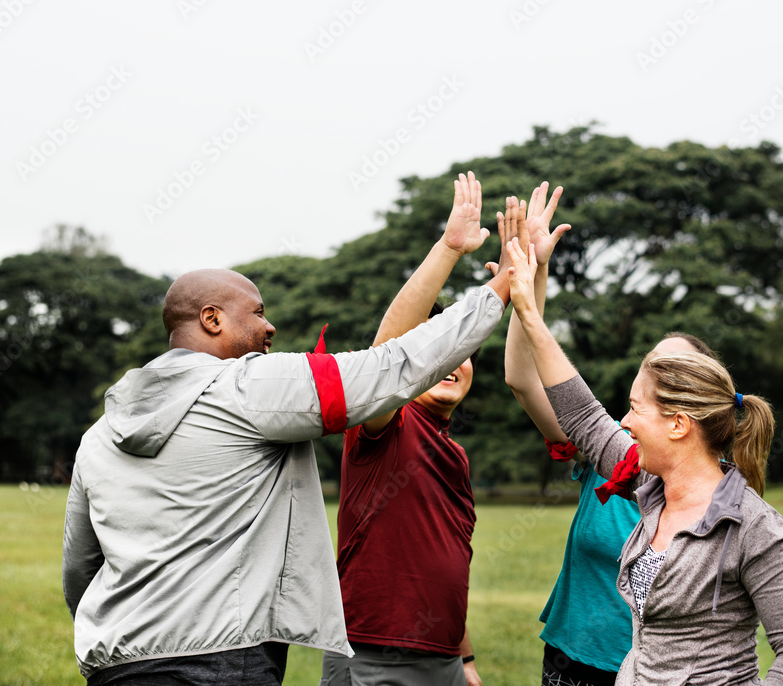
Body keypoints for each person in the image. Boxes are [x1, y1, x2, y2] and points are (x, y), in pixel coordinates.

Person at [62, 170, 524, 685]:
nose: (270, 327)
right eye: (257, 313)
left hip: (117, 664)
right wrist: (502, 286)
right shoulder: (250, 385)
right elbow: (390, 367)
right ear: (212, 319)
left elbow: (80, 569)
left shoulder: (99, 435)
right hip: (221, 659)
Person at [504, 236, 783, 685]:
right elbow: (580, 412)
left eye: (636, 409)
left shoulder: (755, 528)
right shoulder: (645, 484)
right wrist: (529, 309)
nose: (624, 422)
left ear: (678, 424)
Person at [502, 185, 719, 685]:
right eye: (654, 366)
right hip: (571, 660)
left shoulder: (722, 495)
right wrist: (532, 274)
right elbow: (522, 377)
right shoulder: (609, 451)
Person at [320, 174, 526, 686]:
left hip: (442, 658)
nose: (453, 364)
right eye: (438, 354)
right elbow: (383, 357)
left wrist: (466, 658)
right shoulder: (385, 423)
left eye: (463, 355)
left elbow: (443, 564)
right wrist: (450, 248)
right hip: (375, 652)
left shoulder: (453, 452)